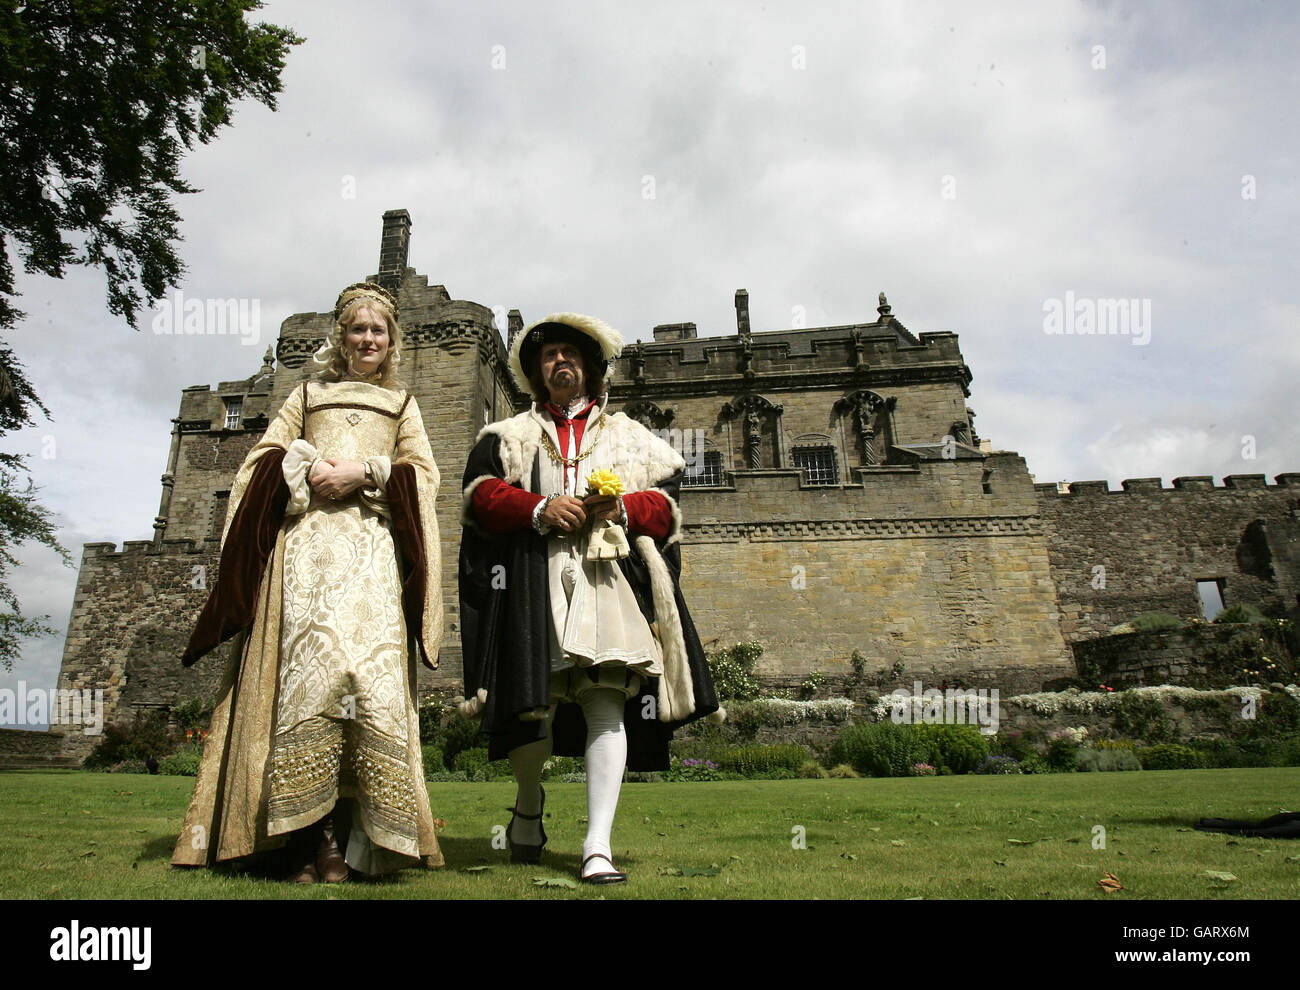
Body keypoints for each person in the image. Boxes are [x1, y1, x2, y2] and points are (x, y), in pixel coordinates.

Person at [171, 281, 444, 882]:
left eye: (378, 331)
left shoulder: (402, 405)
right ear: (340, 338)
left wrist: (364, 471)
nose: (367, 339)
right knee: (304, 681)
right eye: (357, 329)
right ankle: (301, 840)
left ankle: (351, 839)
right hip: (302, 557)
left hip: (371, 558)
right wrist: (307, 464)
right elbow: (258, 461)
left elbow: (425, 477)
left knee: (361, 682)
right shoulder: (306, 393)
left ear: (391, 341)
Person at [459, 312, 722, 884]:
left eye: (571, 355)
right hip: (534, 573)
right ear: (535, 372)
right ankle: (529, 806)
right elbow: (479, 498)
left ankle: (596, 845)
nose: (560, 363)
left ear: (593, 370)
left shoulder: (633, 437)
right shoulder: (506, 437)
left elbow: (668, 508)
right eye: (549, 355)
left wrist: (623, 507)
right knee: (534, 706)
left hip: (607, 575)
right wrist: (537, 509)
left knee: (607, 699)